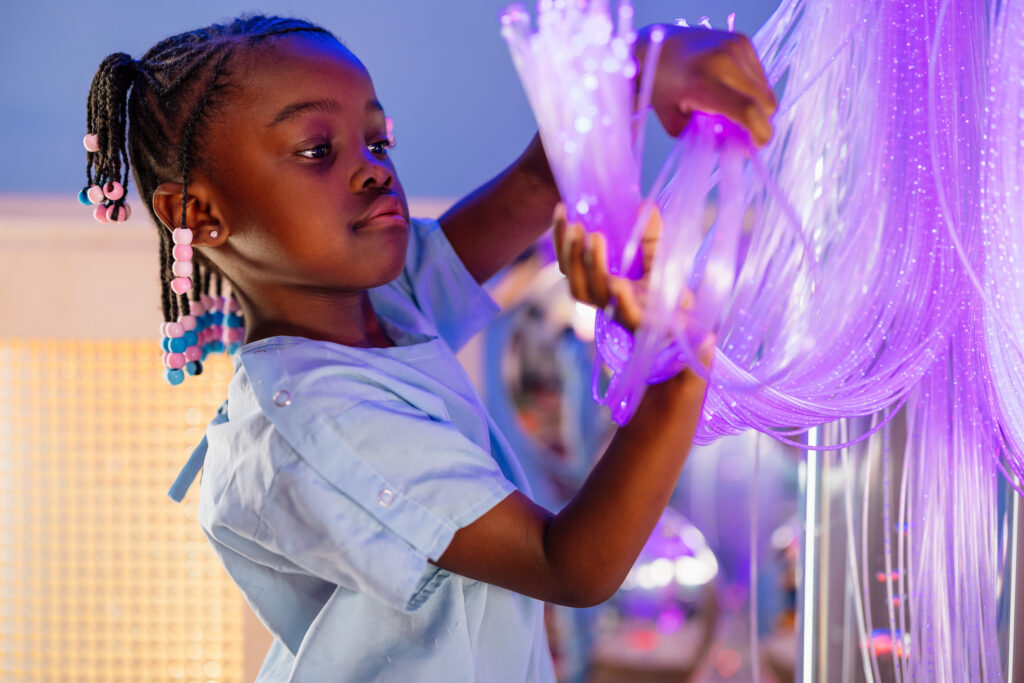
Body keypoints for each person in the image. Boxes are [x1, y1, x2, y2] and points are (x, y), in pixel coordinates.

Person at [80, 14, 775, 681]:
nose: (373, 170)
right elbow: (571, 565)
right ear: (196, 213)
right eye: (318, 151)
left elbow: (540, 180)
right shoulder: (325, 419)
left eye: (378, 143)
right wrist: (680, 364)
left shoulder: (381, 303)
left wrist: (639, 70)